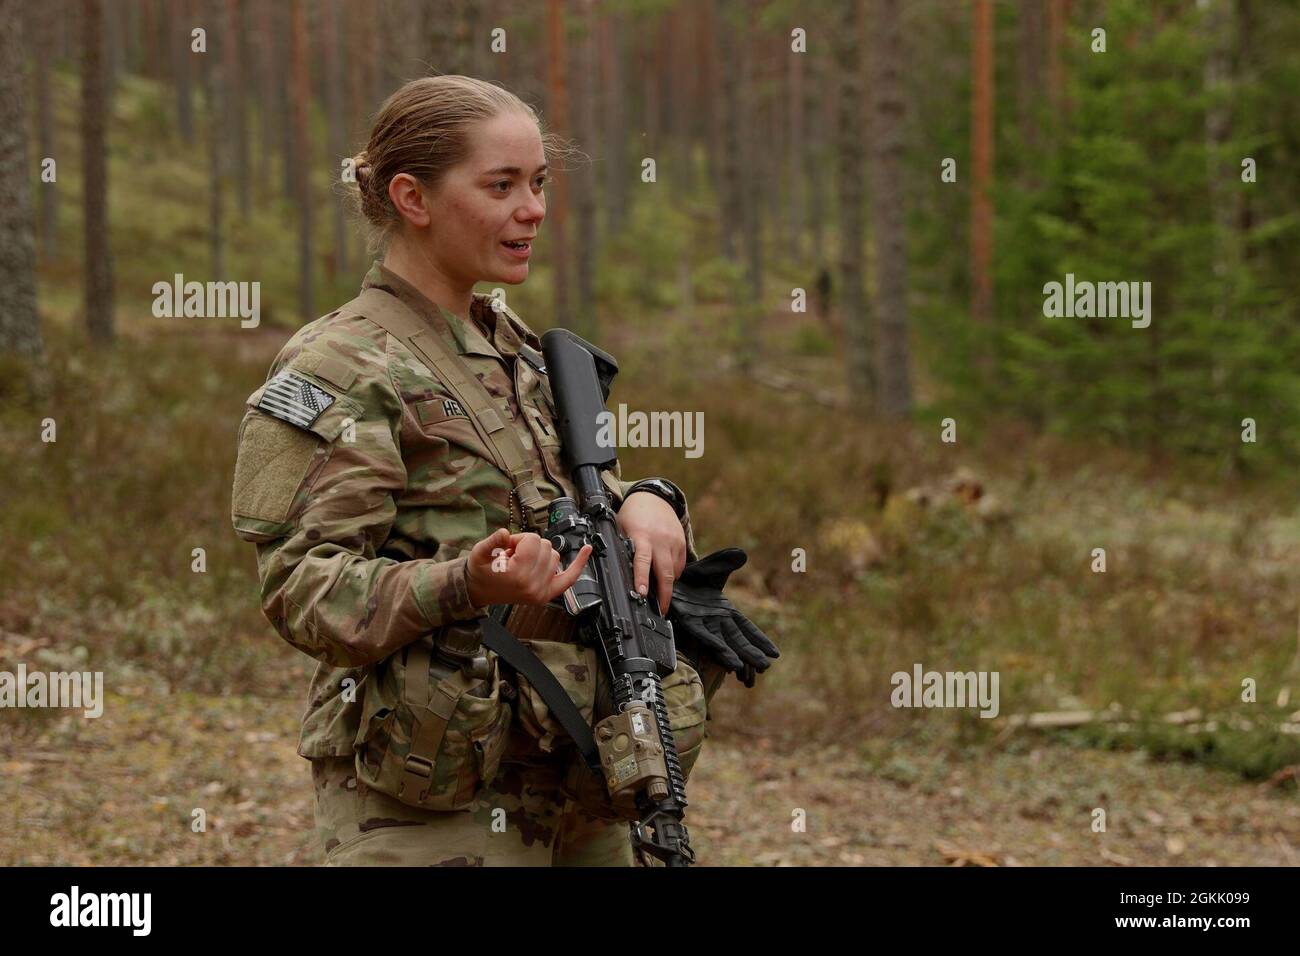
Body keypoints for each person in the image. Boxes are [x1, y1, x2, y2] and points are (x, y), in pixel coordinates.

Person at [230, 75, 776, 866]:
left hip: (576, 771)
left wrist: (652, 503)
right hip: (431, 797)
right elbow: (302, 592)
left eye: (540, 183)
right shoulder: (342, 366)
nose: (535, 209)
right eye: (502, 186)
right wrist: (465, 584)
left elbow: (574, 502)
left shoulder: (517, 348)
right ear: (412, 197)